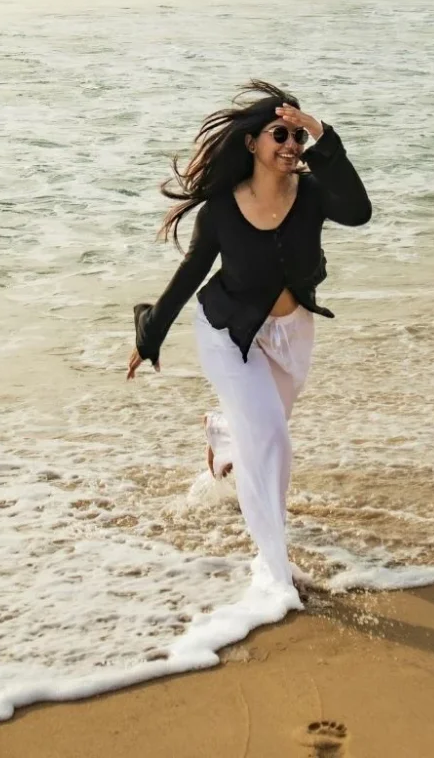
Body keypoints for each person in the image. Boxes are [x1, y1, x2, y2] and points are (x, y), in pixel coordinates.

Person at [126, 80, 372, 591]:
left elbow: (359, 211)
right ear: (252, 143)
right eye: (278, 134)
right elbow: (191, 272)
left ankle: (221, 435)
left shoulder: (312, 194)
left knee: (260, 431)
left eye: (297, 137)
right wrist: (151, 335)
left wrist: (324, 136)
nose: (289, 145)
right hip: (227, 334)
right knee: (272, 441)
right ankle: (273, 567)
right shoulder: (222, 208)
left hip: (291, 332)